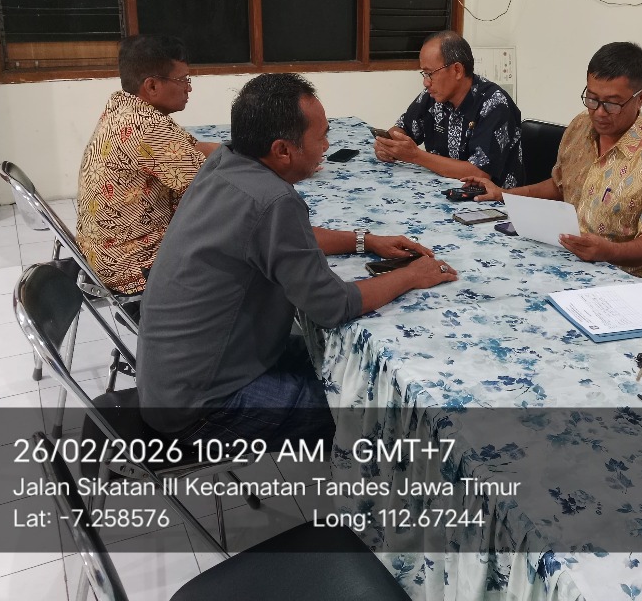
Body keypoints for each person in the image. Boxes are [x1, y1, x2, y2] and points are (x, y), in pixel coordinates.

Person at [137, 73, 457, 448]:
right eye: (320, 137)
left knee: (346, 364)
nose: (326, 146)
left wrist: (365, 240)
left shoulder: (226, 161)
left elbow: (281, 237)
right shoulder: (274, 201)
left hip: (173, 381)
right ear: (283, 150)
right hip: (204, 407)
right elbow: (333, 306)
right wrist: (413, 276)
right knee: (375, 414)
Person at [462, 41, 642, 282]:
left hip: (626, 280)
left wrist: (609, 252)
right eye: (592, 99)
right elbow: (561, 185)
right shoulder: (581, 126)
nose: (599, 112)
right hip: (566, 261)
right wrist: (504, 194)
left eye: (612, 104)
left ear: (641, 98)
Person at [76, 35, 219, 295]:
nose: (188, 88)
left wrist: (246, 149)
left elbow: (195, 148)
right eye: (183, 80)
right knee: (241, 237)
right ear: (152, 85)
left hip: (103, 252)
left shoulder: (124, 106)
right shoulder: (147, 128)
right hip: (131, 262)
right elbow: (214, 186)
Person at [373, 30, 524, 187]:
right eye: (424, 74)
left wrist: (416, 156)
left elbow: (479, 172)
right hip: (443, 189)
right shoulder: (433, 96)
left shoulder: (495, 104)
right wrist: (388, 145)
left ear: (457, 70)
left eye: (430, 73)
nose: (426, 82)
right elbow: (403, 128)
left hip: (490, 198)